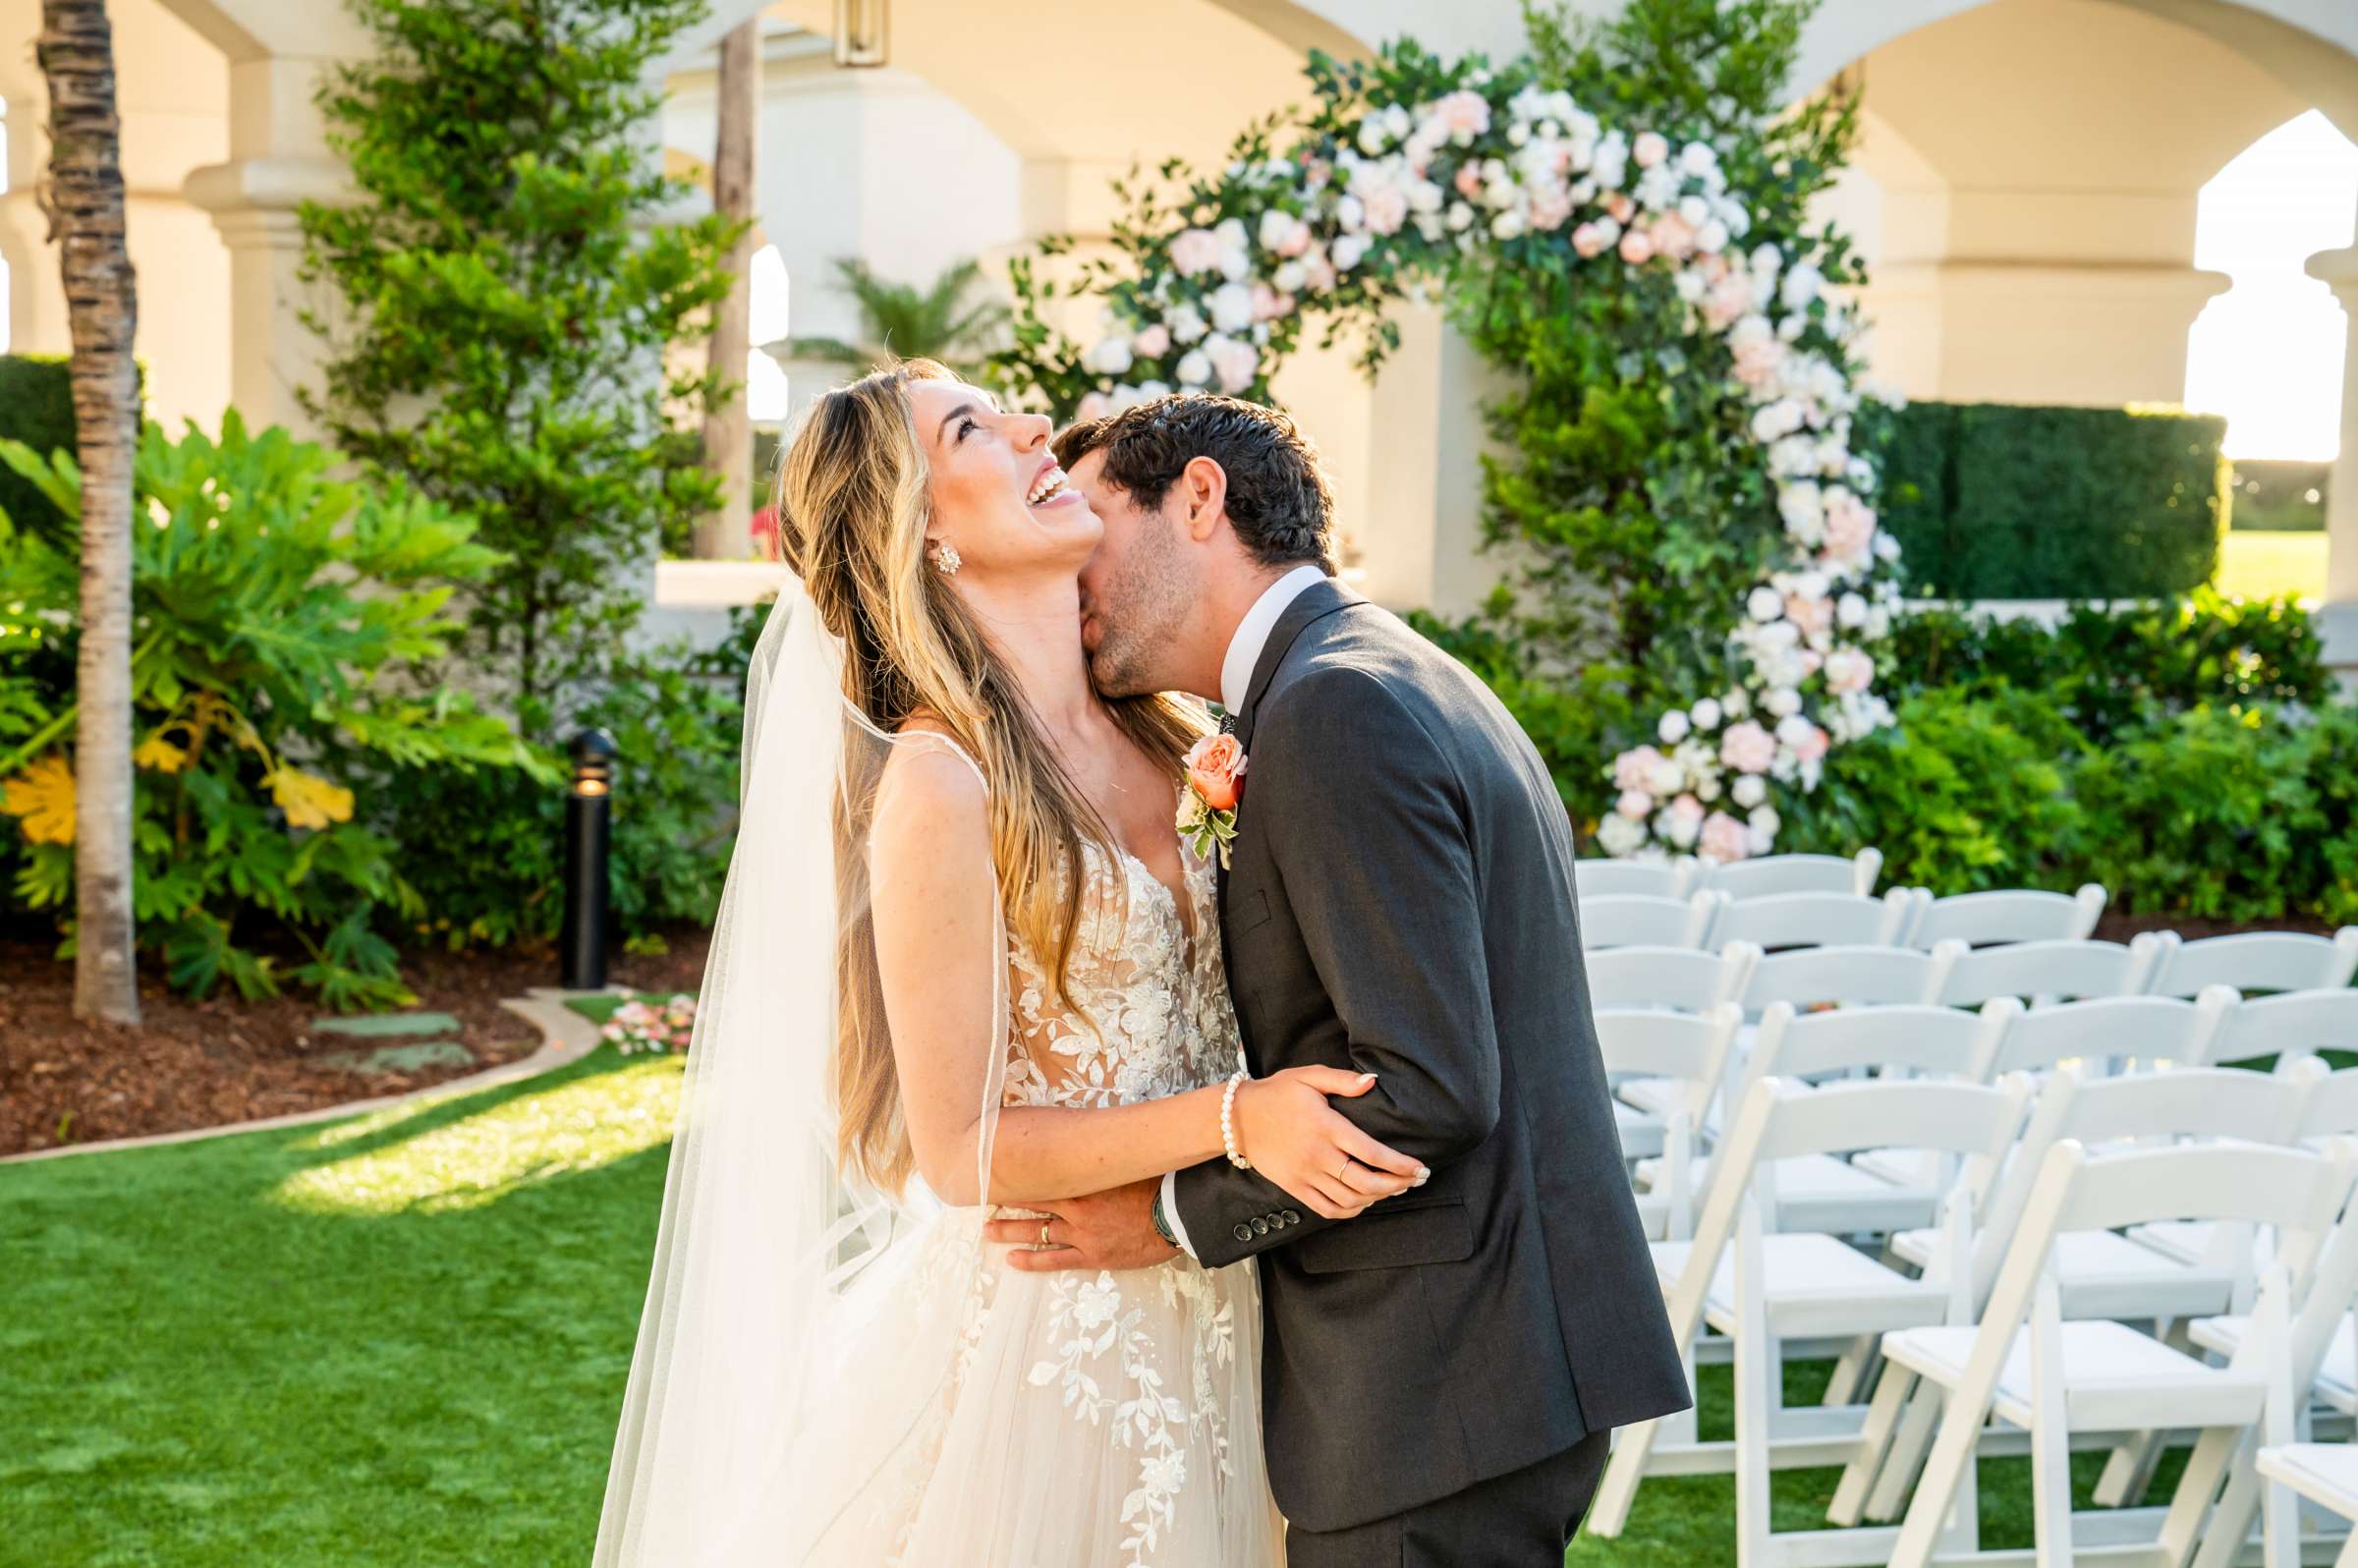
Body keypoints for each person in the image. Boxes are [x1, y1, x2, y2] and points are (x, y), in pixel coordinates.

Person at [592, 361, 1424, 1567]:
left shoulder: (1175, 727)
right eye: (975, 429)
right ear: (923, 533)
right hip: (1064, 1343)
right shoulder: (943, 781)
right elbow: (962, 1147)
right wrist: (1242, 1119)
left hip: (1232, 1288)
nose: (1038, 428)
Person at [985, 393, 1692, 1566]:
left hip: (1433, 1389)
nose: (1074, 584)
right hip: (1492, 1368)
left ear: (1200, 499)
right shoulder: (1381, 671)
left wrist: (1164, 1219)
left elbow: (1428, 1091)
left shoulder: (1334, 707)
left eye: (1093, 528)